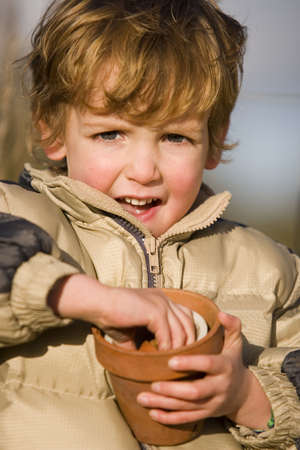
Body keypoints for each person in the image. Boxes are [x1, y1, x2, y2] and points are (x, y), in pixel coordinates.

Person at [0, 0, 299, 448]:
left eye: (175, 137)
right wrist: (94, 300)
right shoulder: (20, 215)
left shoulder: (271, 270)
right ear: (53, 131)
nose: (144, 169)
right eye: (110, 134)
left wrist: (245, 396)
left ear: (213, 142)